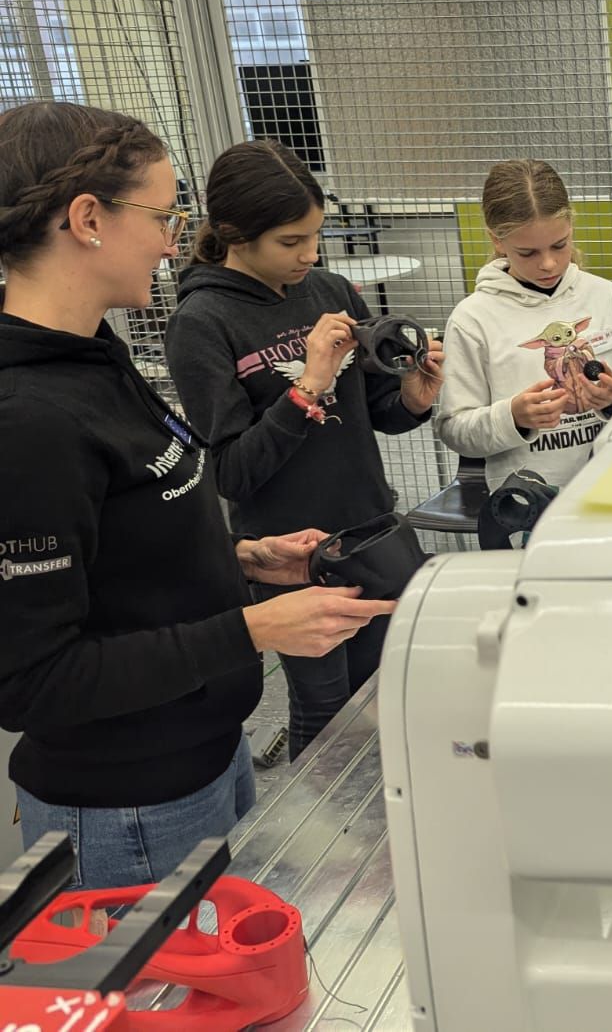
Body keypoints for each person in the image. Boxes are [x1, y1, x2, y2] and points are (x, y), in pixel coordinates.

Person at [0, 102, 394, 889]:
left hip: (204, 754)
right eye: (162, 212)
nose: (176, 238)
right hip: (130, 802)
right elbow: (34, 680)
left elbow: (128, 548)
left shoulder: (95, 359)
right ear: (87, 219)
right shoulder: (28, 418)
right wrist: (250, 627)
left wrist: (245, 557)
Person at [163, 140, 444, 760]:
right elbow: (233, 471)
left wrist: (415, 399)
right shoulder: (202, 322)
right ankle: (324, 845)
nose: (308, 254)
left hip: (371, 529)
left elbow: (378, 414)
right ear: (237, 233)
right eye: (290, 241)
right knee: (325, 709)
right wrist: (308, 383)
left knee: (388, 688)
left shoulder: (331, 289)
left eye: (315, 236)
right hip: (290, 555)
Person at [436, 159, 612, 493]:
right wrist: (512, 417)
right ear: (497, 241)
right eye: (528, 252)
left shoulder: (608, 297)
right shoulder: (473, 319)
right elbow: (455, 429)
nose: (548, 263)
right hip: (527, 501)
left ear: (571, 227)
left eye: (559, 245)